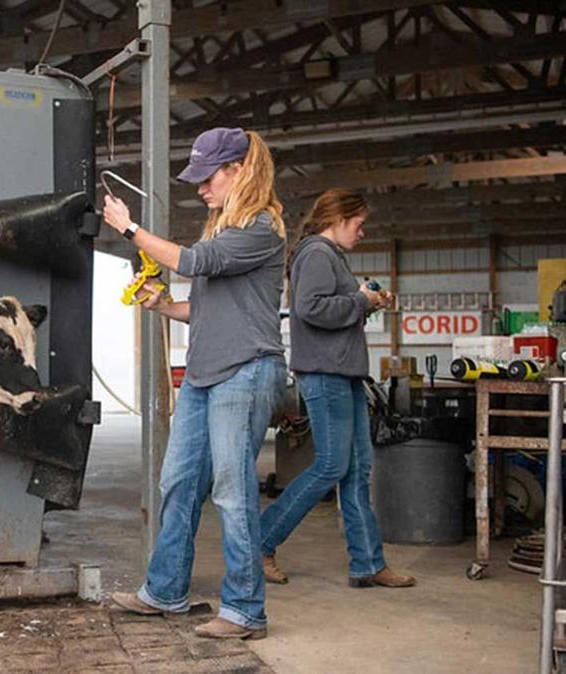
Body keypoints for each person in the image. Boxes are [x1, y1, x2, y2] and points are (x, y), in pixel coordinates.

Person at [103, 127, 287, 640]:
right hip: (207, 372)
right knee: (177, 482)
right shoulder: (223, 232)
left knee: (231, 492)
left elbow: (193, 262)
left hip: (246, 370)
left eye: (207, 178)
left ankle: (246, 610)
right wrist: (164, 306)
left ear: (237, 170)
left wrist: (129, 229)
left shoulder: (260, 229)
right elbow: (203, 309)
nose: (201, 189)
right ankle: (165, 591)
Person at [259, 188, 415, 589]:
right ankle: (259, 541)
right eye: (359, 224)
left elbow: (332, 306)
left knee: (358, 469)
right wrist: (361, 301)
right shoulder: (316, 254)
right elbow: (310, 309)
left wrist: (367, 300)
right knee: (331, 466)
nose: (362, 232)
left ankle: (367, 563)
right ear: (339, 218)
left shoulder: (330, 257)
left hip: (342, 373)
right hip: (325, 374)